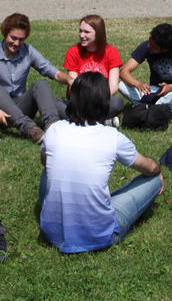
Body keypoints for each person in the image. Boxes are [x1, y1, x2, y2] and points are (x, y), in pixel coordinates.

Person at [38, 72, 163, 253]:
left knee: (49, 167)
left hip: (52, 233)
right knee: (154, 178)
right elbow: (150, 167)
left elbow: (45, 163)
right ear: (105, 102)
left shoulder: (54, 130)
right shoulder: (112, 137)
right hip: (100, 235)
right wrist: (157, 170)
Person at [0, 13, 70, 143]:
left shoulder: (28, 51)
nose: (16, 43)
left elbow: (51, 71)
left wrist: (69, 80)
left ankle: (53, 125)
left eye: (21, 40)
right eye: (13, 38)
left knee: (41, 84)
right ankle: (31, 129)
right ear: (5, 33)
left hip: (19, 106)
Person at [118, 22, 172, 118]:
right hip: (155, 91)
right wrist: (137, 84)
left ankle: (147, 108)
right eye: (149, 41)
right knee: (121, 85)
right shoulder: (146, 46)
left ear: (165, 49)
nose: (149, 46)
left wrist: (170, 88)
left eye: (153, 47)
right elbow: (123, 72)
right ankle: (169, 113)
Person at [63, 14, 125, 119]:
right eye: (80, 31)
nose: (82, 35)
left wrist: (96, 100)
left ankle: (81, 120)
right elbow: (73, 84)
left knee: (117, 102)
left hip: (101, 101)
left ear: (98, 33)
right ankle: (101, 121)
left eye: (86, 32)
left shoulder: (111, 52)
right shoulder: (73, 52)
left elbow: (113, 87)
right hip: (79, 101)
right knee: (55, 104)